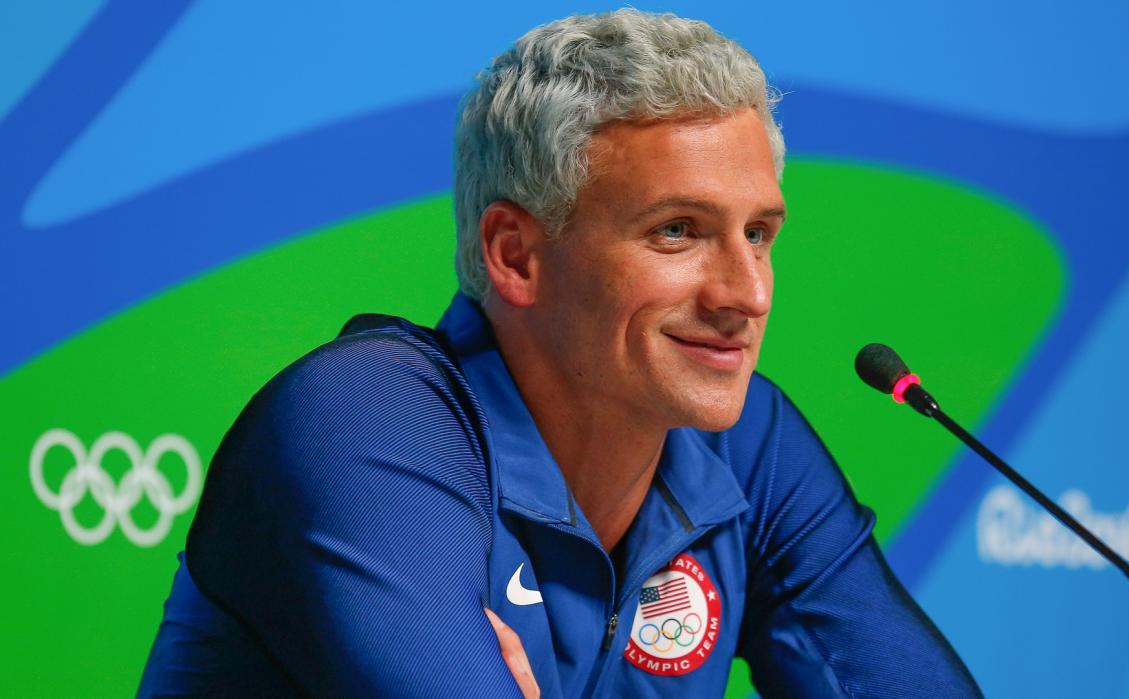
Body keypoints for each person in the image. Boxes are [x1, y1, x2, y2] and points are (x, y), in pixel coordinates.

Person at [139, 9, 980, 698]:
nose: (747, 294)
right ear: (515, 254)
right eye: (678, 231)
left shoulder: (745, 439)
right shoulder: (365, 422)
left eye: (758, 234)